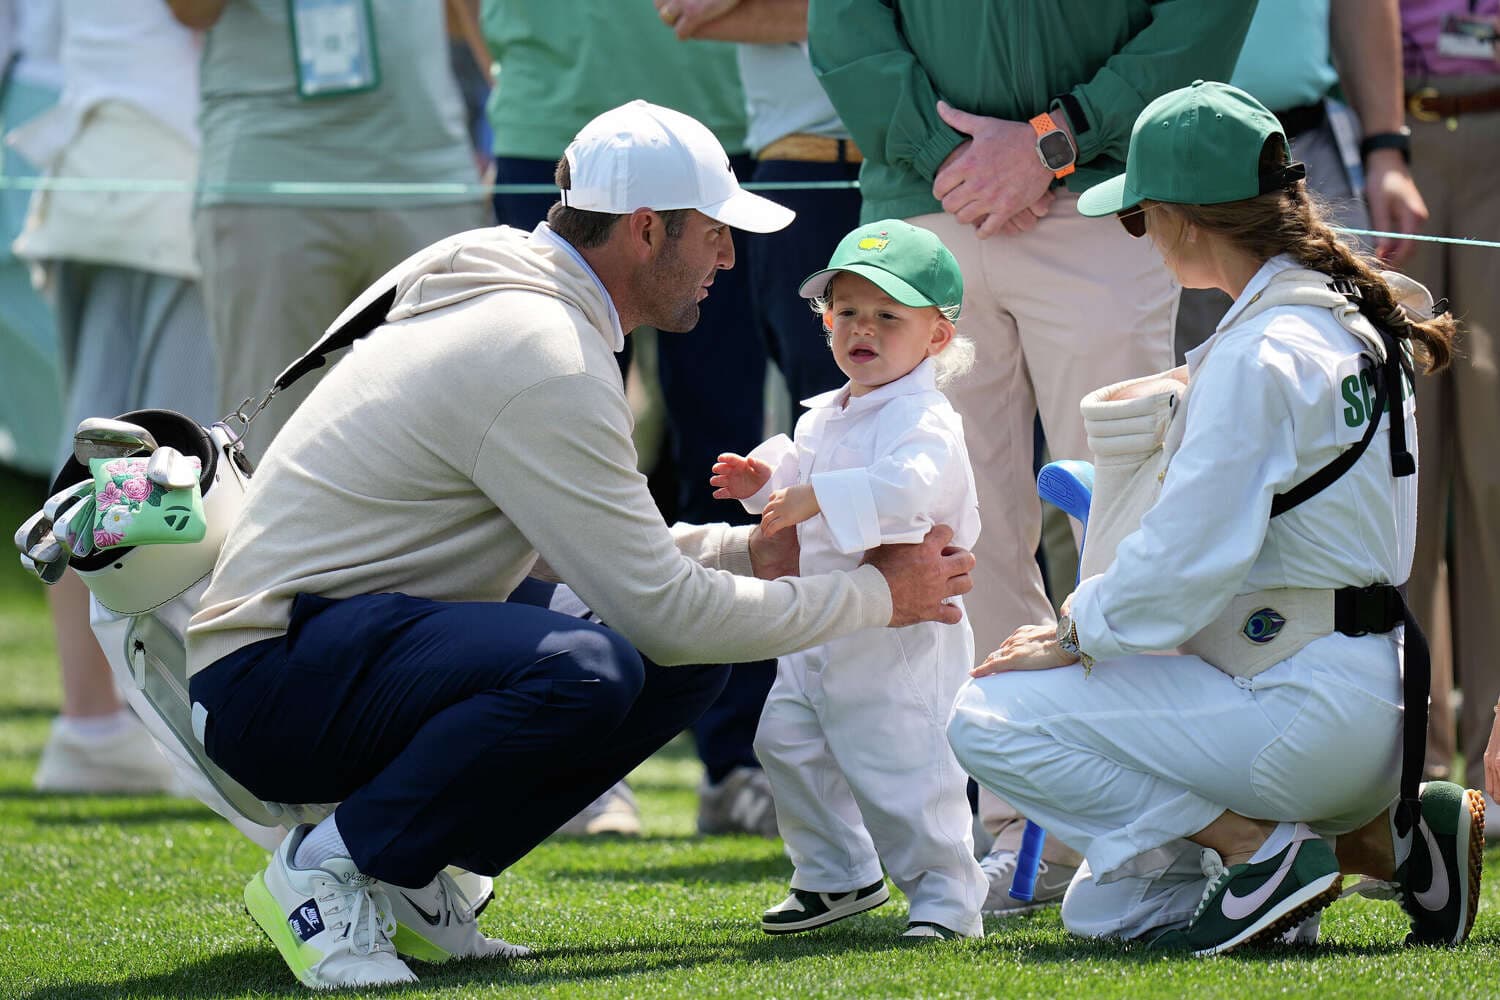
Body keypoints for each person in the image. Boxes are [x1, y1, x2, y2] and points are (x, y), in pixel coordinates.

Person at [184, 101, 975, 990]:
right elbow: (665, 611)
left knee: (672, 661)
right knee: (590, 666)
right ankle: (327, 867)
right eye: (714, 232)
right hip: (269, 684)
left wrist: (743, 554)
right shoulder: (545, 348)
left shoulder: (533, 308)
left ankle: (405, 871)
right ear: (646, 230)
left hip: (317, 651)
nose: (727, 258)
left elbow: (594, 551)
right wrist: (881, 596)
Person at [946, 81, 1484, 955]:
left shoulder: (1262, 351)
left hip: (1295, 704)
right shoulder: (1352, 320)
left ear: (1184, 220)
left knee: (986, 715)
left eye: (1138, 218)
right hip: (1379, 711)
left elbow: (1183, 560)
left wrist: (1076, 630)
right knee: (1103, 912)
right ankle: (1383, 841)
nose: (1141, 234)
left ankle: (1256, 850)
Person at [807, 0, 1260, 915]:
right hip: (924, 214)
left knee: (1134, 523)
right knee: (953, 533)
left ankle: (1167, 828)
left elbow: (1203, 14)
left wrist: (1056, 139)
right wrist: (949, 154)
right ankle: (1024, 822)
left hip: (1100, 196)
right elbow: (844, 23)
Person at [480, 0, 780, 839]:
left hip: (714, 141)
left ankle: (739, 760)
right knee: (538, 459)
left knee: (730, 463)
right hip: (550, 129)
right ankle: (572, 757)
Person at [711, 219, 985, 940]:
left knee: (906, 763)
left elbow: (909, 492)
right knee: (786, 741)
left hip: (901, 633)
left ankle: (947, 896)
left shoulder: (925, 418)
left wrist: (815, 497)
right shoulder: (826, 413)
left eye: (889, 316)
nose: (862, 328)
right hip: (820, 619)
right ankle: (837, 873)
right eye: (847, 311)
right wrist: (763, 480)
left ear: (937, 337)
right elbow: (796, 477)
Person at [10, 0, 217, 794]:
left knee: (105, 457)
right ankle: (142, 720)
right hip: (170, 170)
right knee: (166, 471)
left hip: (98, 168)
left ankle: (96, 720)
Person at [166, 0, 488, 460]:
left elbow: (467, 16)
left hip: (429, 178)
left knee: (454, 438)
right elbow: (190, 11)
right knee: (270, 448)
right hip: (272, 183)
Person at [1174, 0, 1430, 361]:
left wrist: (1386, 145)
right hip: (1177, 159)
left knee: (1355, 354)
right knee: (1189, 373)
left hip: (1310, 145)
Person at [1399, 0, 1500, 811]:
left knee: (1494, 472)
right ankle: (1418, 762)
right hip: (1394, 150)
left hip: (1495, 136)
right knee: (1406, 471)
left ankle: (1496, 753)